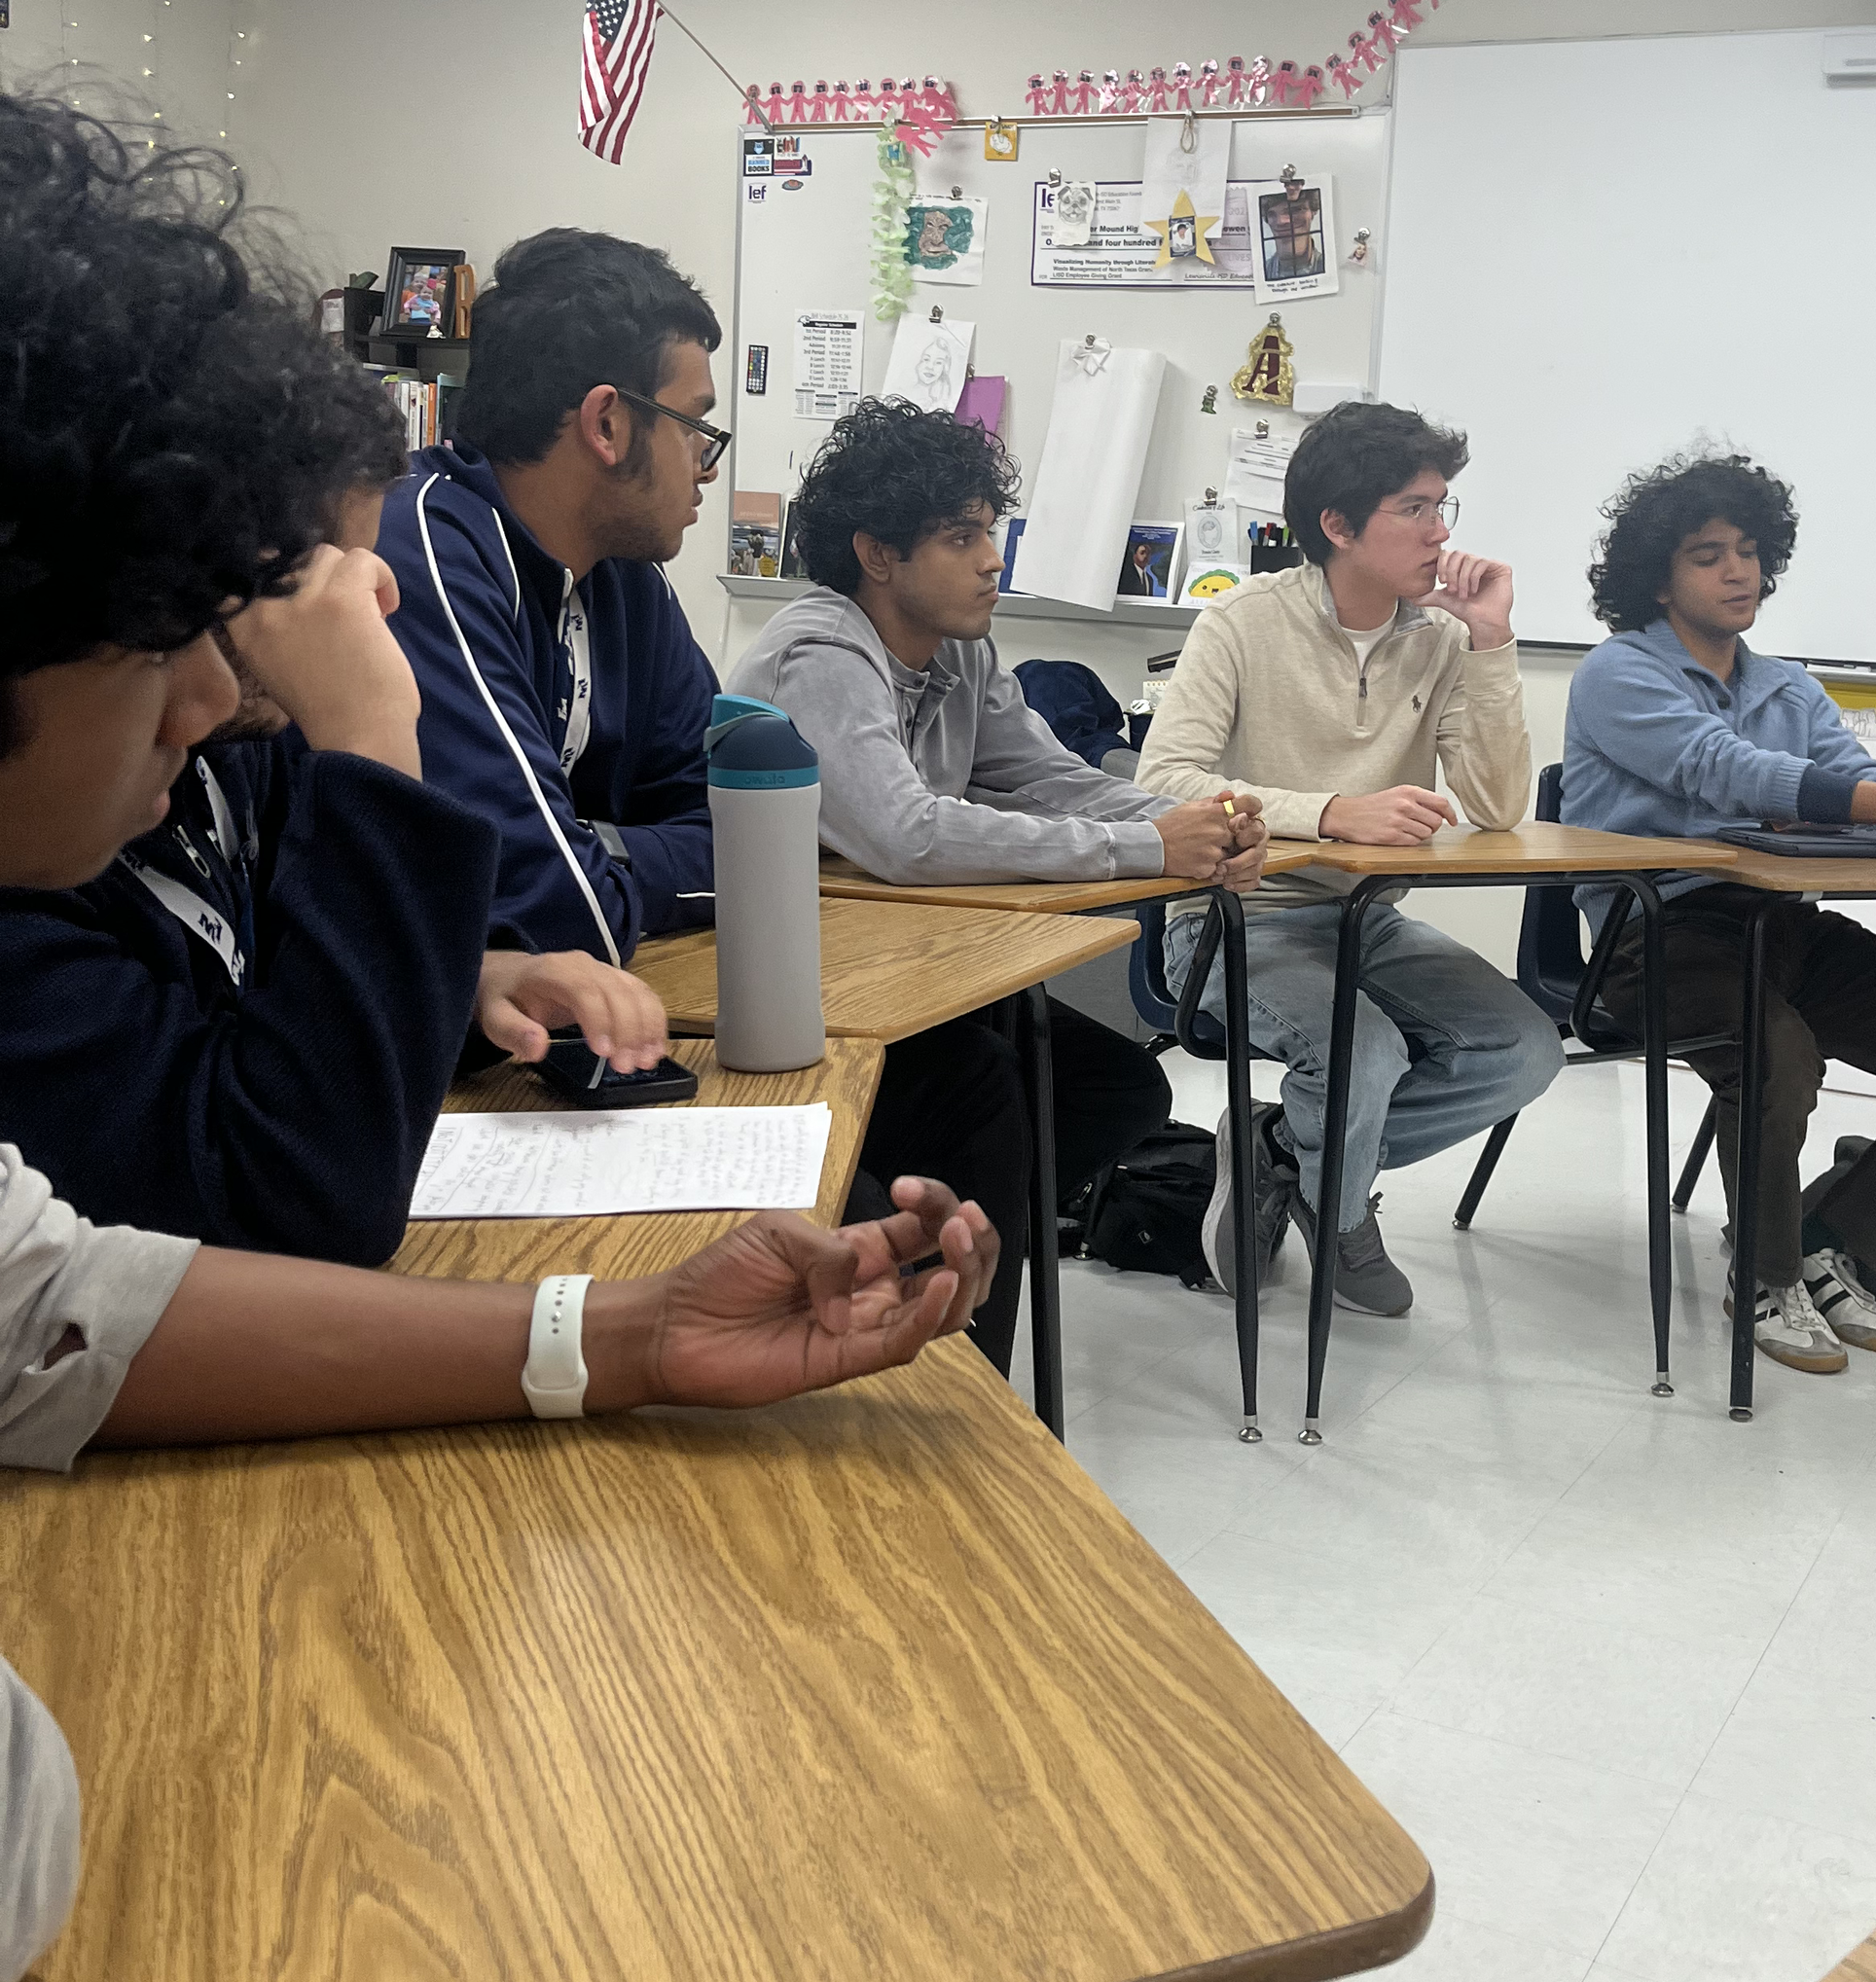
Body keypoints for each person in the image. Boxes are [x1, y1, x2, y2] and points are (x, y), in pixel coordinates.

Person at [0, 90, 995, 1982]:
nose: (231, 695)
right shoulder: (338, 685)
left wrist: (613, 1335)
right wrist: (371, 737)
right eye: (196, 635)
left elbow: (48, 1294)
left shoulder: (599, 607)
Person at [0, 378, 666, 1267]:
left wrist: (462, 984)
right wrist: (371, 738)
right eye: (316, 577)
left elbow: (280, 981)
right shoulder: (48, 843)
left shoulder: (234, 751)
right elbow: (305, 1199)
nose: (378, 601)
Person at [732, 407, 1266, 1341]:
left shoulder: (961, 648)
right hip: (806, 988)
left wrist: (1200, 828)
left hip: (917, 970)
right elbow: (908, 838)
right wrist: (1152, 850)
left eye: (992, 532)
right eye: (961, 536)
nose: (991, 560)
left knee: (1117, 1092)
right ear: (877, 553)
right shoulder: (820, 651)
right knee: (993, 1112)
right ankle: (963, 1356)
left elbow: (1053, 781)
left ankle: (940, 1246)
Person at [1563, 450, 1876, 1376]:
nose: (1737, 570)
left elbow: (1866, 783)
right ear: (1657, 578)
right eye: (1707, 553)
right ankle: (1765, 1273)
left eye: (1749, 549)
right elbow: (1722, 769)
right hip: (1658, 934)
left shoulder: (1786, 685)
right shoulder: (1617, 672)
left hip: (1783, 924)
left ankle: (1831, 1243)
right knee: (1778, 1055)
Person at [1136, 400, 1564, 1316]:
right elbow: (1163, 777)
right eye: (1414, 508)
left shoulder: (1445, 638)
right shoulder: (1241, 622)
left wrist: (1491, 641)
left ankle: (1285, 1156)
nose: (1440, 531)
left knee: (1524, 1050)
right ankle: (1340, 1214)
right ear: (1337, 524)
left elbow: (1496, 806)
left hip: (1364, 918)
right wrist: (1330, 814)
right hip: (1232, 915)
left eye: (1445, 505)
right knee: (1359, 1048)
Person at [380, 228, 724, 962]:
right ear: (608, 423)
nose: (708, 467)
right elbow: (560, 915)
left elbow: (745, 838)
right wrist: (601, 865)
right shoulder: (426, 552)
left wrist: (596, 849)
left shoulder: (627, 576)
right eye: (696, 427)